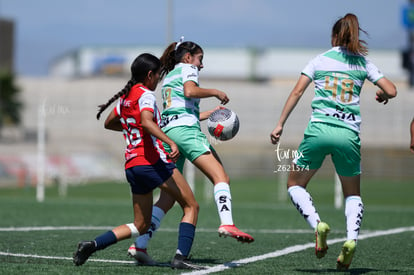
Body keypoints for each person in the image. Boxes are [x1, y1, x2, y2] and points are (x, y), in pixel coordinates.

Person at [269, 14, 397, 271]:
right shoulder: (363, 63)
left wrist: (280, 123)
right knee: (353, 194)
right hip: (348, 135)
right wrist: (382, 94)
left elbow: (297, 91)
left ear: (334, 37)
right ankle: (350, 240)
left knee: (294, 184)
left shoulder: (320, 60)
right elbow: (392, 90)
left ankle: (318, 225)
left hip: (318, 131)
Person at [127, 38, 254, 264]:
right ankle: (227, 222)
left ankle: (141, 245)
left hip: (169, 135)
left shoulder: (168, 77)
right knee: (221, 177)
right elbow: (190, 90)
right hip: (186, 133)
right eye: (200, 59)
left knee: (167, 198)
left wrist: (210, 113)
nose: (201, 65)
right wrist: (215, 91)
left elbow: (180, 110)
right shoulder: (188, 69)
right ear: (187, 58)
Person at [73, 53, 203, 270]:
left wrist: (132, 127)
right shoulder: (145, 95)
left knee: (141, 225)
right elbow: (146, 121)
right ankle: (181, 258)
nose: (159, 80)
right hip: (152, 162)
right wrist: (170, 142)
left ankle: (92, 245)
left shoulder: (125, 97)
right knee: (191, 206)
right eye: (158, 76)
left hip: (133, 165)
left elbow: (109, 122)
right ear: (149, 75)